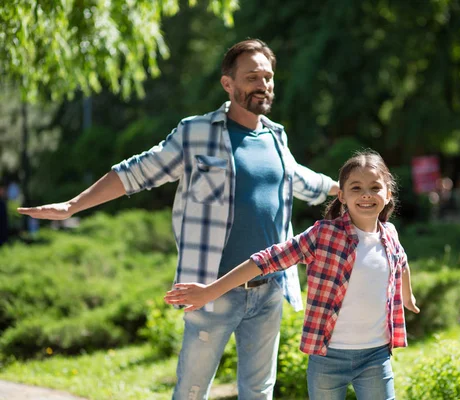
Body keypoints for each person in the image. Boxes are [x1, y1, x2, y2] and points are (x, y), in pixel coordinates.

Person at [17, 39, 338, 400]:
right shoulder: (196, 133)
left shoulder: (276, 137)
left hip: (270, 289)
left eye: (268, 76)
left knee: (259, 392)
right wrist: (73, 205)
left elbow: (301, 179)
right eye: (252, 77)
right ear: (228, 84)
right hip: (211, 290)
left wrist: (344, 190)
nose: (263, 84)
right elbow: (136, 172)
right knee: (191, 391)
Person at [165, 150, 420, 400]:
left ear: (388, 195)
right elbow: (266, 260)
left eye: (375, 187)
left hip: (376, 356)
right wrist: (210, 291)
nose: (366, 195)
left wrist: (406, 296)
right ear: (341, 195)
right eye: (356, 188)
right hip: (327, 357)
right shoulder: (323, 235)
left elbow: (402, 262)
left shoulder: (390, 235)